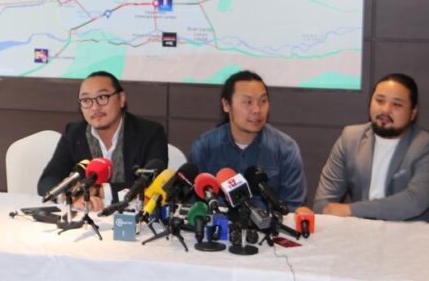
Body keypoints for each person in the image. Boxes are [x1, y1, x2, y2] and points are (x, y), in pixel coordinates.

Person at [313, 73, 429, 221]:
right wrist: (328, 209)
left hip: (408, 231)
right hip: (359, 229)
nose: (385, 110)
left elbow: (414, 201)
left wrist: (351, 210)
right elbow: (323, 203)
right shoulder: (350, 138)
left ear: (413, 113)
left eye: (397, 104)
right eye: (380, 101)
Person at [37, 71, 168, 211]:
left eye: (102, 97)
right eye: (86, 100)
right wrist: (71, 198)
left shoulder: (150, 132)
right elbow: (48, 180)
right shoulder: (74, 133)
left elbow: (153, 185)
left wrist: (99, 191)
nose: (95, 107)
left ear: (121, 99)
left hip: (134, 218)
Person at [189, 70, 306, 209]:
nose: (257, 109)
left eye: (263, 101)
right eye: (247, 102)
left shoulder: (286, 148)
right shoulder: (204, 147)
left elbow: (293, 207)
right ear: (226, 105)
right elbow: (194, 205)